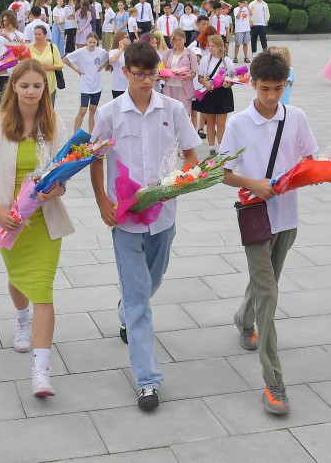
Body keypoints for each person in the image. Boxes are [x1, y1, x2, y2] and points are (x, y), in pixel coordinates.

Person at [91, 41, 202, 411]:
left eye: (152, 74)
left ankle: (125, 306)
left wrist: (183, 179)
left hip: (163, 215)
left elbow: (190, 154)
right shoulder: (108, 114)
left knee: (151, 281)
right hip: (123, 220)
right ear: (125, 73)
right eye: (139, 74)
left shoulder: (172, 109)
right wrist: (102, 201)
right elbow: (94, 160)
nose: (146, 81)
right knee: (140, 299)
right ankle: (147, 381)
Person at [219, 51, 318, 416]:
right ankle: (274, 382)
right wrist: (254, 184)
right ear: (251, 83)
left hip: (287, 217)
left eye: (279, 88)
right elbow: (224, 173)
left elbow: (310, 160)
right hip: (254, 216)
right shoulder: (238, 123)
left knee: (268, 282)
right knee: (269, 293)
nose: (272, 96)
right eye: (264, 89)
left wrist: (304, 175)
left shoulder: (297, 118)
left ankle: (244, 320)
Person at [0, 58, 73, 396]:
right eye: (25, 85)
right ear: (13, 87)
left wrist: (56, 189)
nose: (31, 91)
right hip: (10, 220)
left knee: (42, 288)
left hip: (44, 221)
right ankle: (21, 320)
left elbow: (65, 172)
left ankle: (41, 371)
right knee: (18, 280)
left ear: (45, 89)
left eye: (37, 85)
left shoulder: (54, 124)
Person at [194, 36, 234, 156]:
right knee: (210, 122)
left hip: (223, 92)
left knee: (221, 123)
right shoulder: (205, 60)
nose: (210, 48)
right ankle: (211, 148)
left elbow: (232, 78)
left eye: (213, 46)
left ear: (219, 47)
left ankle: (222, 148)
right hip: (209, 92)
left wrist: (228, 84)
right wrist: (206, 83)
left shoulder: (227, 61)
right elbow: (200, 77)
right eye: (209, 46)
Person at [63, 33, 108, 133]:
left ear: (97, 42)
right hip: (85, 85)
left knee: (93, 109)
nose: (92, 44)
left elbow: (110, 58)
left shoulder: (101, 52)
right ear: (86, 41)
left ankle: (91, 134)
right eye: (90, 42)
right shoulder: (80, 52)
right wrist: (77, 70)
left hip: (97, 84)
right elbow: (65, 59)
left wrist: (102, 67)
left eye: (94, 42)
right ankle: (75, 134)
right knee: (83, 110)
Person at [160, 29, 198, 113]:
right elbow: (163, 69)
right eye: (175, 40)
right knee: (169, 114)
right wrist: (163, 75)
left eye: (180, 39)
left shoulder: (190, 53)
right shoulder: (167, 53)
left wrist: (189, 76)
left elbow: (194, 72)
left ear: (184, 39)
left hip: (184, 89)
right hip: (169, 87)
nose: (177, 42)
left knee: (184, 114)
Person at [27, 25, 63, 107]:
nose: (37, 36)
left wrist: (46, 68)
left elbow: (59, 65)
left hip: (49, 84)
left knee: (49, 110)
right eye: (35, 34)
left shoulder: (52, 47)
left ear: (45, 35)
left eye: (39, 34)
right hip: (33, 84)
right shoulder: (29, 48)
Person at [232, 0, 252, 64]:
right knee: (238, 44)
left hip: (247, 28)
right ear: (239, 3)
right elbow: (237, 17)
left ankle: (246, 57)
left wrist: (247, 6)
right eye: (241, 2)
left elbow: (251, 14)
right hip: (239, 29)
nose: (242, 4)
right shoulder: (236, 9)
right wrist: (240, 8)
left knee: (245, 43)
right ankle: (235, 57)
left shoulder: (246, 9)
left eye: (243, 2)